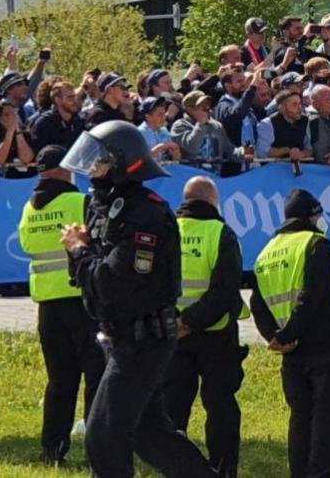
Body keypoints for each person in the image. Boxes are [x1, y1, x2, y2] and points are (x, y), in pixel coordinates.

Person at [59, 121, 216, 477]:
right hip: (116, 333)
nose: (93, 171)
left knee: (104, 437)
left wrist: (80, 251)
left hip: (143, 338)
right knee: (150, 435)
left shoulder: (145, 214)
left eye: (99, 163)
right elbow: (85, 280)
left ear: (122, 163)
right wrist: (81, 254)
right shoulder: (102, 204)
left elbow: (112, 283)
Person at [249, 189, 330, 478]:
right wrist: (290, 333)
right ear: (310, 217)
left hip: (291, 354)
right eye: (319, 215)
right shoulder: (316, 244)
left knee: (300, 420)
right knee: (327, 424)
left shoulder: (266, 253)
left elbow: (257, 303)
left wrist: (276, 337)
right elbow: (313, 295)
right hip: (322, 348)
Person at [17, 145, 104, 464]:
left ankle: (52, 449)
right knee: (96, 376)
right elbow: (99, 242)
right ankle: (98, 450)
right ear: (65, 167)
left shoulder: (29, 208)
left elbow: (26, 245)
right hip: (81, 300)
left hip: (48, 305)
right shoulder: (78, 201)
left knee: (60, 381)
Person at [164, 176, 249, 478]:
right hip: (216, 335)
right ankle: (222, 468)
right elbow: (224, 291)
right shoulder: (221, 233)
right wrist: (193, 321)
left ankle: (174, 468)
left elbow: (156, 285)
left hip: (173, 334)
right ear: (213, 200)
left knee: (173, 406)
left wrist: (178, 322)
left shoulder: (168, 231)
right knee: (221, 404)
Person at [256, 90, 313, 160]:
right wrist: (285, 151)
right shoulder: (267, 124)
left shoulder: (305, 120)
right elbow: (261, 152)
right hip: (274, 167)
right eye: (294, 104)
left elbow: (309, 149)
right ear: (281, 108)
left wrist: (302, 154)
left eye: (300, 104)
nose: (300, 108)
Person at [31, 81, 85, 153]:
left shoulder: (78, 122)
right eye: (69, 97)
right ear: (58, 100)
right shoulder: (45, 124)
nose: (74, 100)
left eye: (74, 96)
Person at [138, 96, 181, 162]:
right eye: (160, 114)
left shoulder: (164, 130)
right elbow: (142, 162)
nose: (164, 117)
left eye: (164, 114)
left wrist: (175, 155)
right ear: (148, 117)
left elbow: (175, 159)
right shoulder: (139, 134)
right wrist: (161, 147)